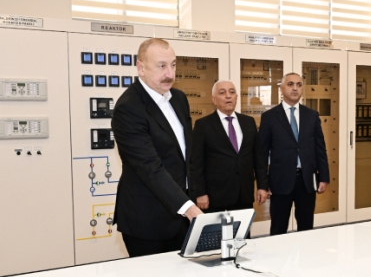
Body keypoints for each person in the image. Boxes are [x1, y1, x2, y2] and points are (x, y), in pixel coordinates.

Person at [111, 38, 202, 258]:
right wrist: (189, 208)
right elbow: (149, 167)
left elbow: (186, 154)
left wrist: (194, 196)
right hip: (147, 220)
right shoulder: (128, 108)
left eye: (173, 65)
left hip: (181, 215)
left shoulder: (178, 99)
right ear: (141, 68)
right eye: (161, 66)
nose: (170, 73)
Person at [259, 72, 330, 235]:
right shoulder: (269, 117)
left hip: (306, 181)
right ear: (281, 89)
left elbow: (320, 148)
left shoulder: (312, 115)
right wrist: (263, 183)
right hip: (279, 181)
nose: (295, 88)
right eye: (290, 84)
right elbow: (262, 153)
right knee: (278, 228)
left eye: (299, 85)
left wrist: (324, 177)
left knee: (306, 227)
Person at [189, 80, 269, 213]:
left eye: (232, 92)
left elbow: (258, 158)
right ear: (214, 99)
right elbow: (196, 162)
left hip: (244, 194)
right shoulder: (203, 125)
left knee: (243, 227)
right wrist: (200, 192)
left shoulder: (248, 122)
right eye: (222, 93)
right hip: (215, 197)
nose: (228, 96)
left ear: (236, 97)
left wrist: (262, 186)